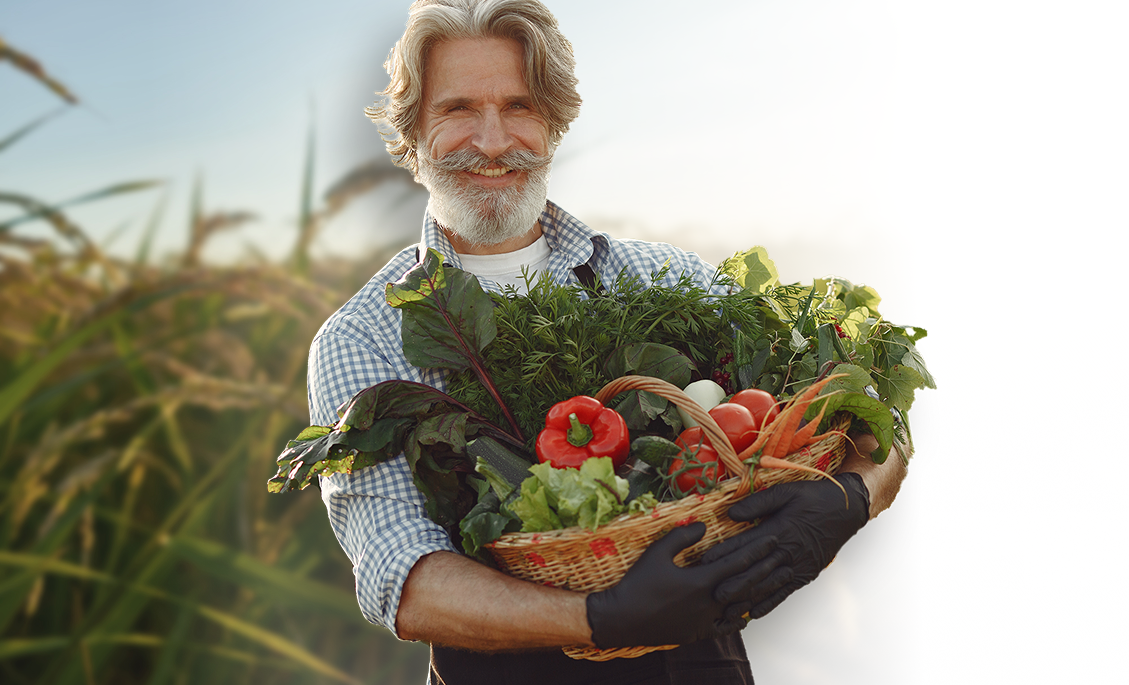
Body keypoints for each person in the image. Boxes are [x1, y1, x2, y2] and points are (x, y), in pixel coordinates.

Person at [309, 1, 908, 682]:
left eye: (519, 106)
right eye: (456, 110)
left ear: (554, 124)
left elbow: (871, 417)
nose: (494, 139)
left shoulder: (663, 277)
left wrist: (851, 498)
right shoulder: (364, 335)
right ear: (412, 135)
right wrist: (603, 618)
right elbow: (400, 577)